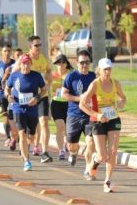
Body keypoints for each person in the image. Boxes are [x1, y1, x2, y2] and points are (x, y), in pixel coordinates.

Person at [79, 58, 126, 193]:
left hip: (113, 119)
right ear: (99, 70)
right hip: (98, 121)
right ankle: (94, 161)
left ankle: (107, 181)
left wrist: (122, 102)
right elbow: (82, 105)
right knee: (102, 156)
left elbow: (123, 97)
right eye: (105, 69)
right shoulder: (95, 84)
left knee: (112, 152)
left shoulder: (115, 83)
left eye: (109, 69)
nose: (107, 72)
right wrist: (97, 115)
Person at [6, 55, 46, 171]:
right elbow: (7, 88)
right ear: (20, 64)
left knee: (31, 135)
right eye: (23, 63)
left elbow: (44, 90)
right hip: (18, 108)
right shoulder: (14, 76)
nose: (25, 65)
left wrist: (37, 98)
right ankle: (26, 161)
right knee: (22, 133)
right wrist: (8, 95)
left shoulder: (36, 76)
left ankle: (25, 147)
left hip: (32, 109)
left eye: (28, 63)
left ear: (30, 64)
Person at [62, 50, 97, 177]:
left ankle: (88, 169)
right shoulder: (71, 76)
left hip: (89, 115)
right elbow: (64, 94)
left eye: (87, 62)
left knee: (91, 142)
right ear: (77, 63)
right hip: (74, 114)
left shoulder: (94, 77)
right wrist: (80, 98)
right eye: (82, 62)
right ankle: (73, 153)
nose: (84, 65)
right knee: (72, 145)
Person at [0, 43, 18, 150]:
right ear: (1, 53)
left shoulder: (15, 64)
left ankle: (14, 137)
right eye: (5, 51)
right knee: (5, 116)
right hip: (1, 94)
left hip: (12, 94)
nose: (7, 53)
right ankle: (8, 137)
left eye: (8, 51)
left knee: (12, 116)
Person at [50, 53, 74, 160]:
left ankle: (67, 144)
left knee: (68, 129)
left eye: (63, 62)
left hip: (69, 104)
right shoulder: (51, 75)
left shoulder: (71, 75)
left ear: (66, 64)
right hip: (56, 104)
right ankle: (61, 150)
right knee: (60, 126)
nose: (60, 65)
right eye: (58, 63)